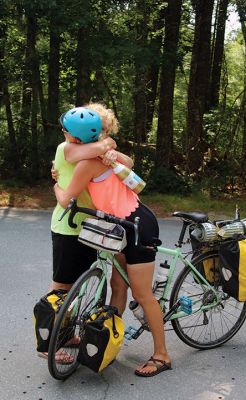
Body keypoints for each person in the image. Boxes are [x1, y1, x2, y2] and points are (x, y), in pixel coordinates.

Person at [54, 103, 172, 377]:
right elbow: (123, 161)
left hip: (137, 226)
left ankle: (162, 355)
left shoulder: (87, 162)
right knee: (118, 287)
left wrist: (56, 183)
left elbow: (64, 199)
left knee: (143, 295)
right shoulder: (104, 152)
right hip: (120, 225)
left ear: (73, 136)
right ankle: (109, 339)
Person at [37, 107, 118, 363]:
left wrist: (107, 145)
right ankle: (45, 344)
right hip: (67, 227)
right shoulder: (66, 149)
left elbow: (112, 156)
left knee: (76, 287)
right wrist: (106, 143)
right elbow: (94, 149)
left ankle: (67, 332)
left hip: (89, 227)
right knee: (60, 287)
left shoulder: (88, 148)